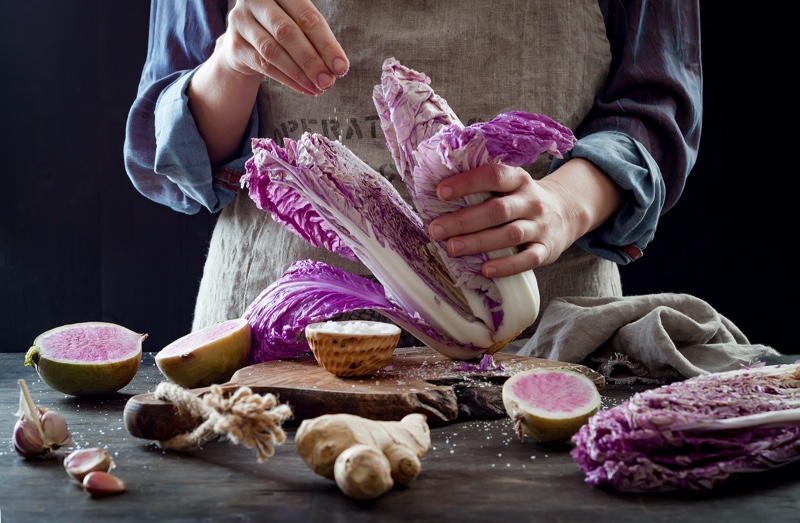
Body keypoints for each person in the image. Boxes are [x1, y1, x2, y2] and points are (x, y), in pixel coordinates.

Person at [124, 0, 702, 348]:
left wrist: (564, 204)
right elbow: (169, 152)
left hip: (549, 336)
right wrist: (233, 60)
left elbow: (656, 106)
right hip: (278, 358)